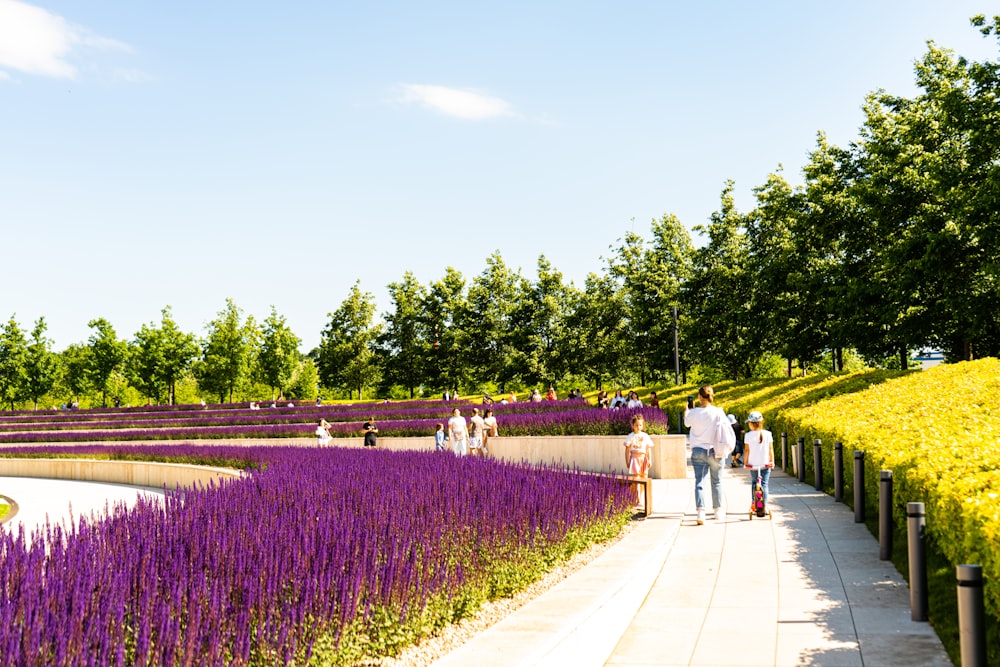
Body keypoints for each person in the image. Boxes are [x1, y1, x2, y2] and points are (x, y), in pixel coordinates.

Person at [684, 385, 729, 524]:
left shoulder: (693, 413)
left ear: (699, 397)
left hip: (698, 450)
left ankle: (700, 513)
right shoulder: (718, 412)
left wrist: (686, 410)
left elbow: (686, 424)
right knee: (717, 481)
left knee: (699, 481)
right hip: (716, 450)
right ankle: (718, 511)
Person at [744, 411, 775, 509]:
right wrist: (772, 461)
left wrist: (745, 463)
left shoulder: (748, 435)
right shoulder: (768, 434)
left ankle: (754, 503)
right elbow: (770, 449)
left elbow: (747, 451)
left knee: (754, 483)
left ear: (750, 423)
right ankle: (763, 506)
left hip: (753, 465)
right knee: (764, 484)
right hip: (765, 463)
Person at [623, 414, 654, 505]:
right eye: (636, 425)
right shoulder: (631, 436)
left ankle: (637, 495)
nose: (638, 427)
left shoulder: (645, 436)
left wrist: (650, 459)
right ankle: (638, 498)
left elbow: (648, 449)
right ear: (632, 426)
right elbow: (627, 450)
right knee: (636, 478)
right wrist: (627, 461)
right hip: (635, 458)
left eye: (640, 425)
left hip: (643, 458)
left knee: (644, 477)